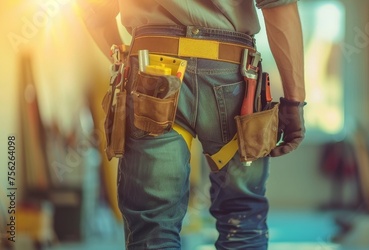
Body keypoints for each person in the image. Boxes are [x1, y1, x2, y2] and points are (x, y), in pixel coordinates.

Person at [79, 0, 306, 249]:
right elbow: (278, 6)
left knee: (153, 228)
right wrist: (294, 103)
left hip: (152, 73)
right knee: (242, 220)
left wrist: (125, 56)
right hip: (234, 73)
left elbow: (92, 8)